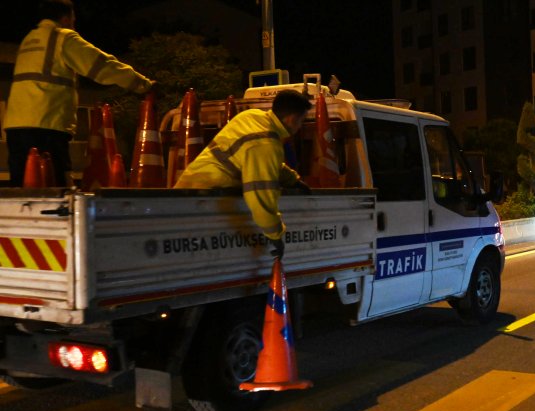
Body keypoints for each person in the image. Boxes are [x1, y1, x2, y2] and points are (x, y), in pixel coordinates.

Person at [3, 0, 153, 187]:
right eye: (73, 19)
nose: (74, 24)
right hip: (47, 123)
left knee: (21, 187)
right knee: (55, 186)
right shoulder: (63, 37)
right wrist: (143, 84)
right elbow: (102, 65)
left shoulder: (29, 40)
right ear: (66, 18)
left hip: (16, 126)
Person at [174, 90, 313, 259]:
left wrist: (292, 180)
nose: (300, 127)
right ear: (292, 119)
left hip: (189, 188)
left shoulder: (252, 117)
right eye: (301, 121)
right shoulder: (266, 143)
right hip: (205, 199)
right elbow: (260, 194)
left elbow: (265, 162)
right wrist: (275, 235)